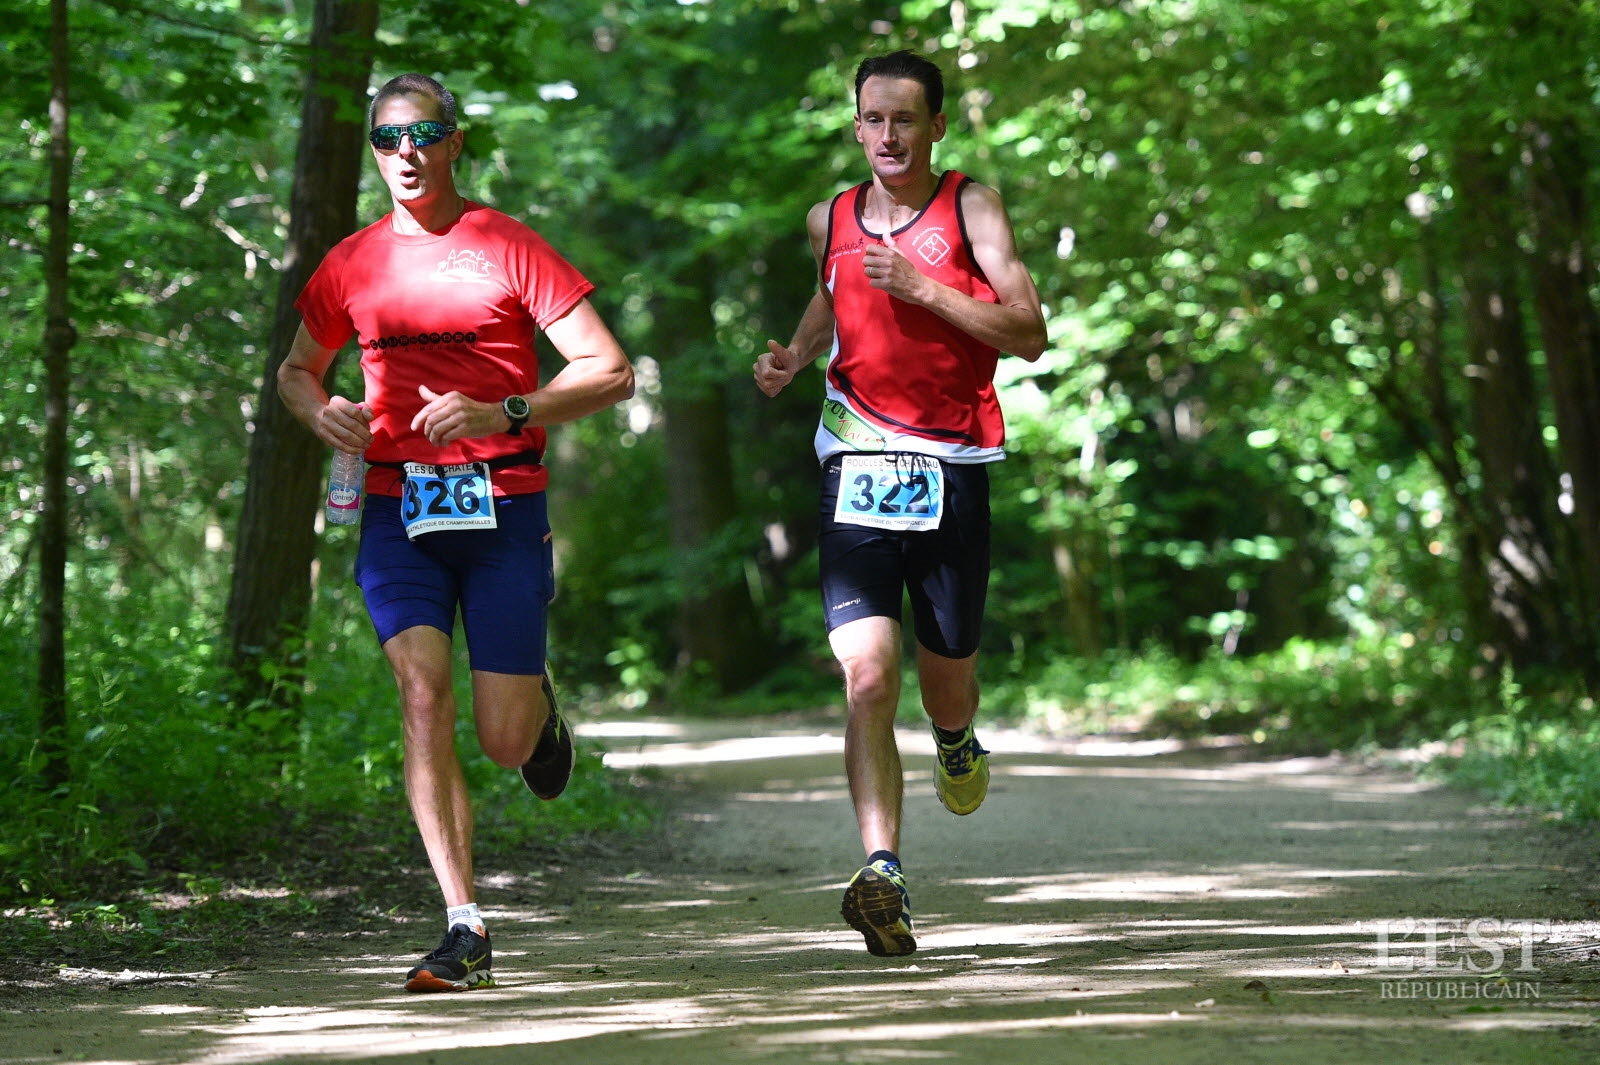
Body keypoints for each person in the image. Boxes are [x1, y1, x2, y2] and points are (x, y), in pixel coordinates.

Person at [278, 73, 634, 991]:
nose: (405, 153)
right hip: (398, 512)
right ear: (373, 149)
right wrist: (324, 414)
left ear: (455, 142)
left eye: (423, 134)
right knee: (421, 694)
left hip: (503, 507)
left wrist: (503, 403)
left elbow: (612, 370)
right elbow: (295, 372)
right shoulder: (351, 262)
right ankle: (463, 923)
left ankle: (537, 708)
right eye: (387, 139)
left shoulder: (506, 245)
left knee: (504, 741)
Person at [753, 50, 1046, 956]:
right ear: (856, 126)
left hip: (952, 463)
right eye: (873, 119)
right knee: (867, 676)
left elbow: (1030, 331)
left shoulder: (971, 209)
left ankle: (956, 739)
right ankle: (883, 870)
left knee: (943, 679)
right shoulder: (829, 218)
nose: (888, 136)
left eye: (905, 120)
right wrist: (796, 356)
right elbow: (832, 294)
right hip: (857, 458)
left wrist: (927, 287)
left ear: (936, 127)